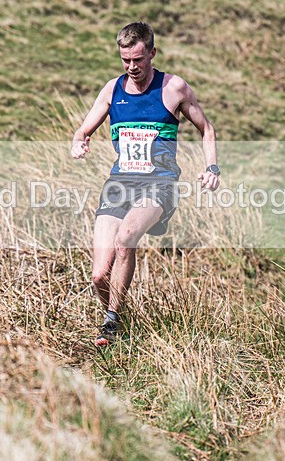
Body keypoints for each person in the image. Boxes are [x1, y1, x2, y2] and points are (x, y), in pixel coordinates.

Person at [70, 22, 220, 347]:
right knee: (99, 274)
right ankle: (120, 316)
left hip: (159, 185)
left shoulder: (174, 88)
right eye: (125, 60)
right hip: (119, 184)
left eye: (138, 60)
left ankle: (110, 324)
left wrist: (212, 167)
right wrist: (78, 143)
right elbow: (82, 131)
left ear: (152, 52)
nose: (132, 67)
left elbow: (206, 128)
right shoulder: (112, 90)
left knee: (125, 240)